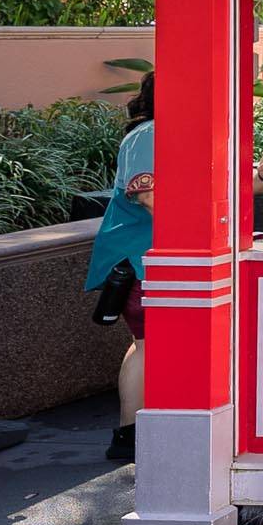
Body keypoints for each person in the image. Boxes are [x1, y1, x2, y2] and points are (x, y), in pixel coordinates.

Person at [86, 74, 155, 464]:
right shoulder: (148, 134)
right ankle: (129, 436)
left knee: (146, 345)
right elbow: (148, 194)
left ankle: (132, 433)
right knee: (148, 345)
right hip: (140, 257)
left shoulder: (171, 130)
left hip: (151, 255)